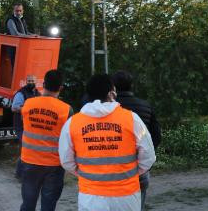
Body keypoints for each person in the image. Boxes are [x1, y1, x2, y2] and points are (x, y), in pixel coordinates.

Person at [59, 74, 156, 211]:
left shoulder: (72, 123)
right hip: (126, 196)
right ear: (112, 93)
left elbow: (66, 161)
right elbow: (149, 157)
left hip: (91, 197)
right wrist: (131, 173)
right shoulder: (131, 119)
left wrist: (86, 174)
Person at [19, 69, 72, 211]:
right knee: (48, 207)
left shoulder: (28, 104)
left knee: (28, 204)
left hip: (29, 162)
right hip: (54, 165)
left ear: (43, 84)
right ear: (61, 88)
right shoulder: (66, 110)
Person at [113, 70, 161, 209]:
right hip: (138, 165)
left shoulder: (107, 108)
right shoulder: (145, 105)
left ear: (113, 87)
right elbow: (156, 136)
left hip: (113, 166)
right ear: (132, 85)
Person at [12, 74, 41, 179]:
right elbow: (14, 108)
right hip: (21, 126)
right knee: (25, 148)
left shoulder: (38, 94)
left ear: (36, 82)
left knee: (29, 150)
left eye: (32, 81)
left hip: (33, 127)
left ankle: (25, 173)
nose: (30, 82)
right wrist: (28, 109)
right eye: (28, 81)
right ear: (26, 81)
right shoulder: (20, 93)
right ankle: (20, 173)